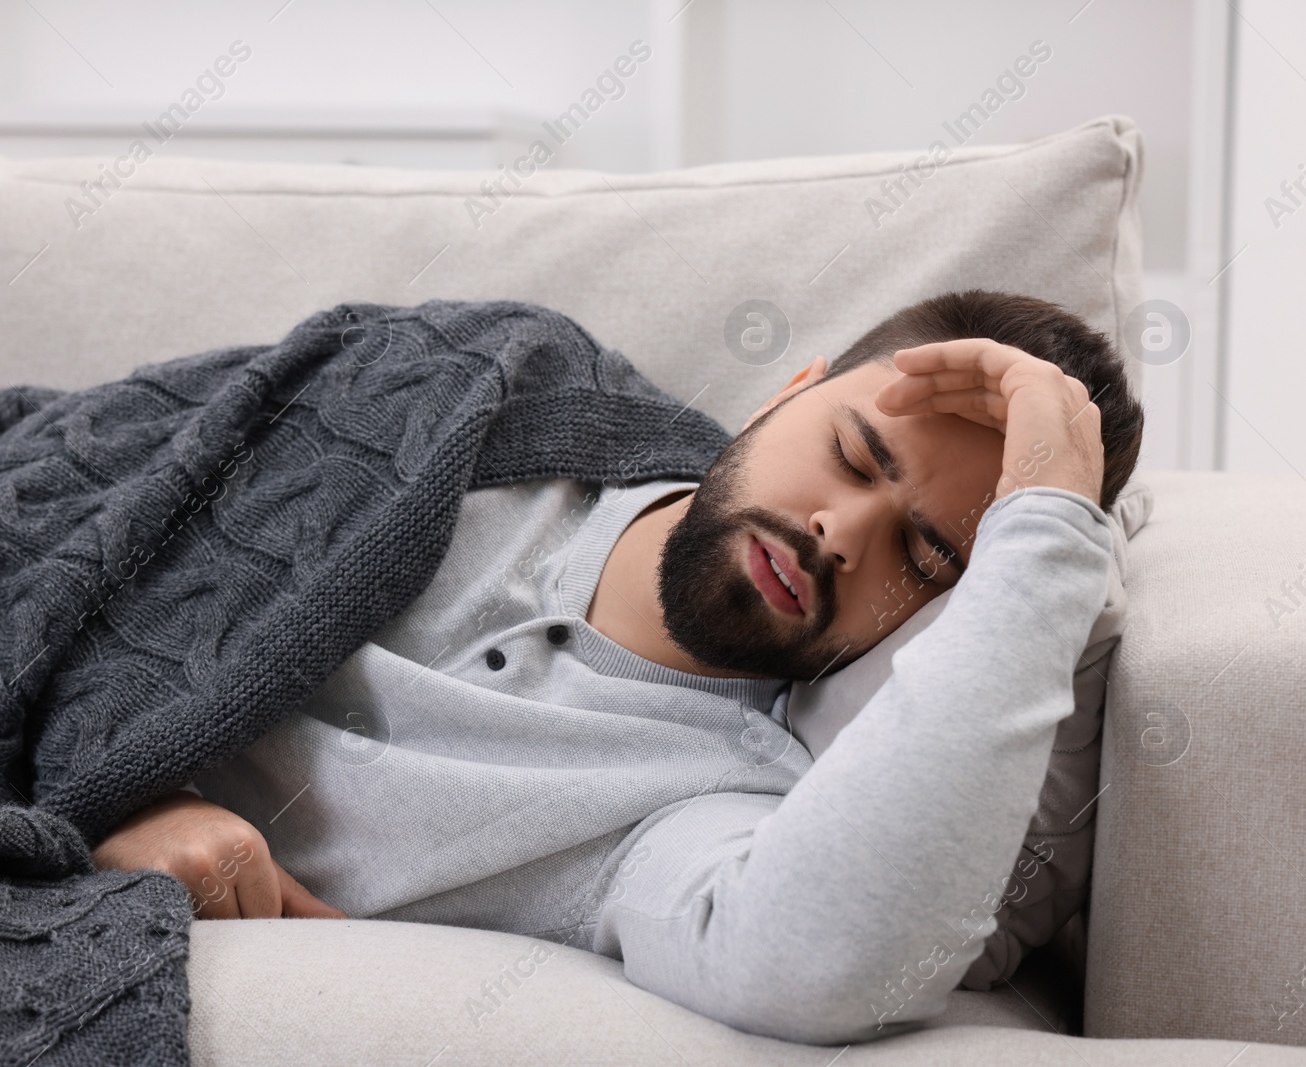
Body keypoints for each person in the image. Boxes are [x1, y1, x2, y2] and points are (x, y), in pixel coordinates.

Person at [91, 289, 1143, 1044]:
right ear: (789, 391)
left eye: (923, 555)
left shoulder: (705, 803)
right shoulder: (499, 424)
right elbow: (93, 534)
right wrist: (134, 794)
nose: (837, 530)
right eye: (855, 456)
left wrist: (1042, 539)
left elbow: (815, 965)